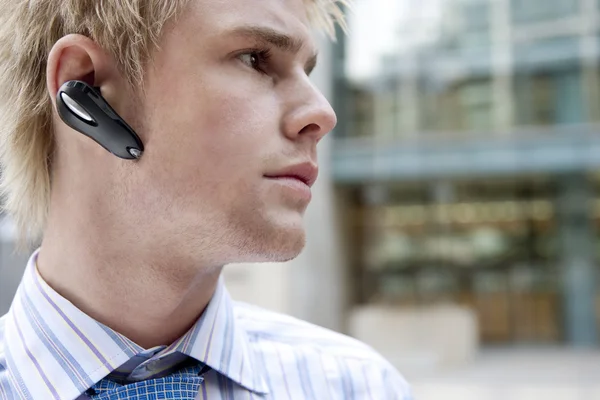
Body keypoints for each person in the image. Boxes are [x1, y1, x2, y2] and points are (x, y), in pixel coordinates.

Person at [0, 0, 412, 399]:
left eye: (306, 72)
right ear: (87, 84)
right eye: (255, 58)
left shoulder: (359, 387)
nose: (322, 114)